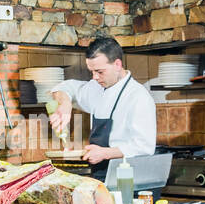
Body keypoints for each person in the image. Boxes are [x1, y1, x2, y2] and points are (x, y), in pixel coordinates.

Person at [47, 36, 156, 181]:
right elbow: (64, 88)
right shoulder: (95, 88)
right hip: (99, 175)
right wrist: (65, 104)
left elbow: (144, 147)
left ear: (117, 64)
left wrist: (104, 153)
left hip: (128, 179)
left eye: (100, 71)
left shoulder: (138, 97)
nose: (95, 77)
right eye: (91, 71)